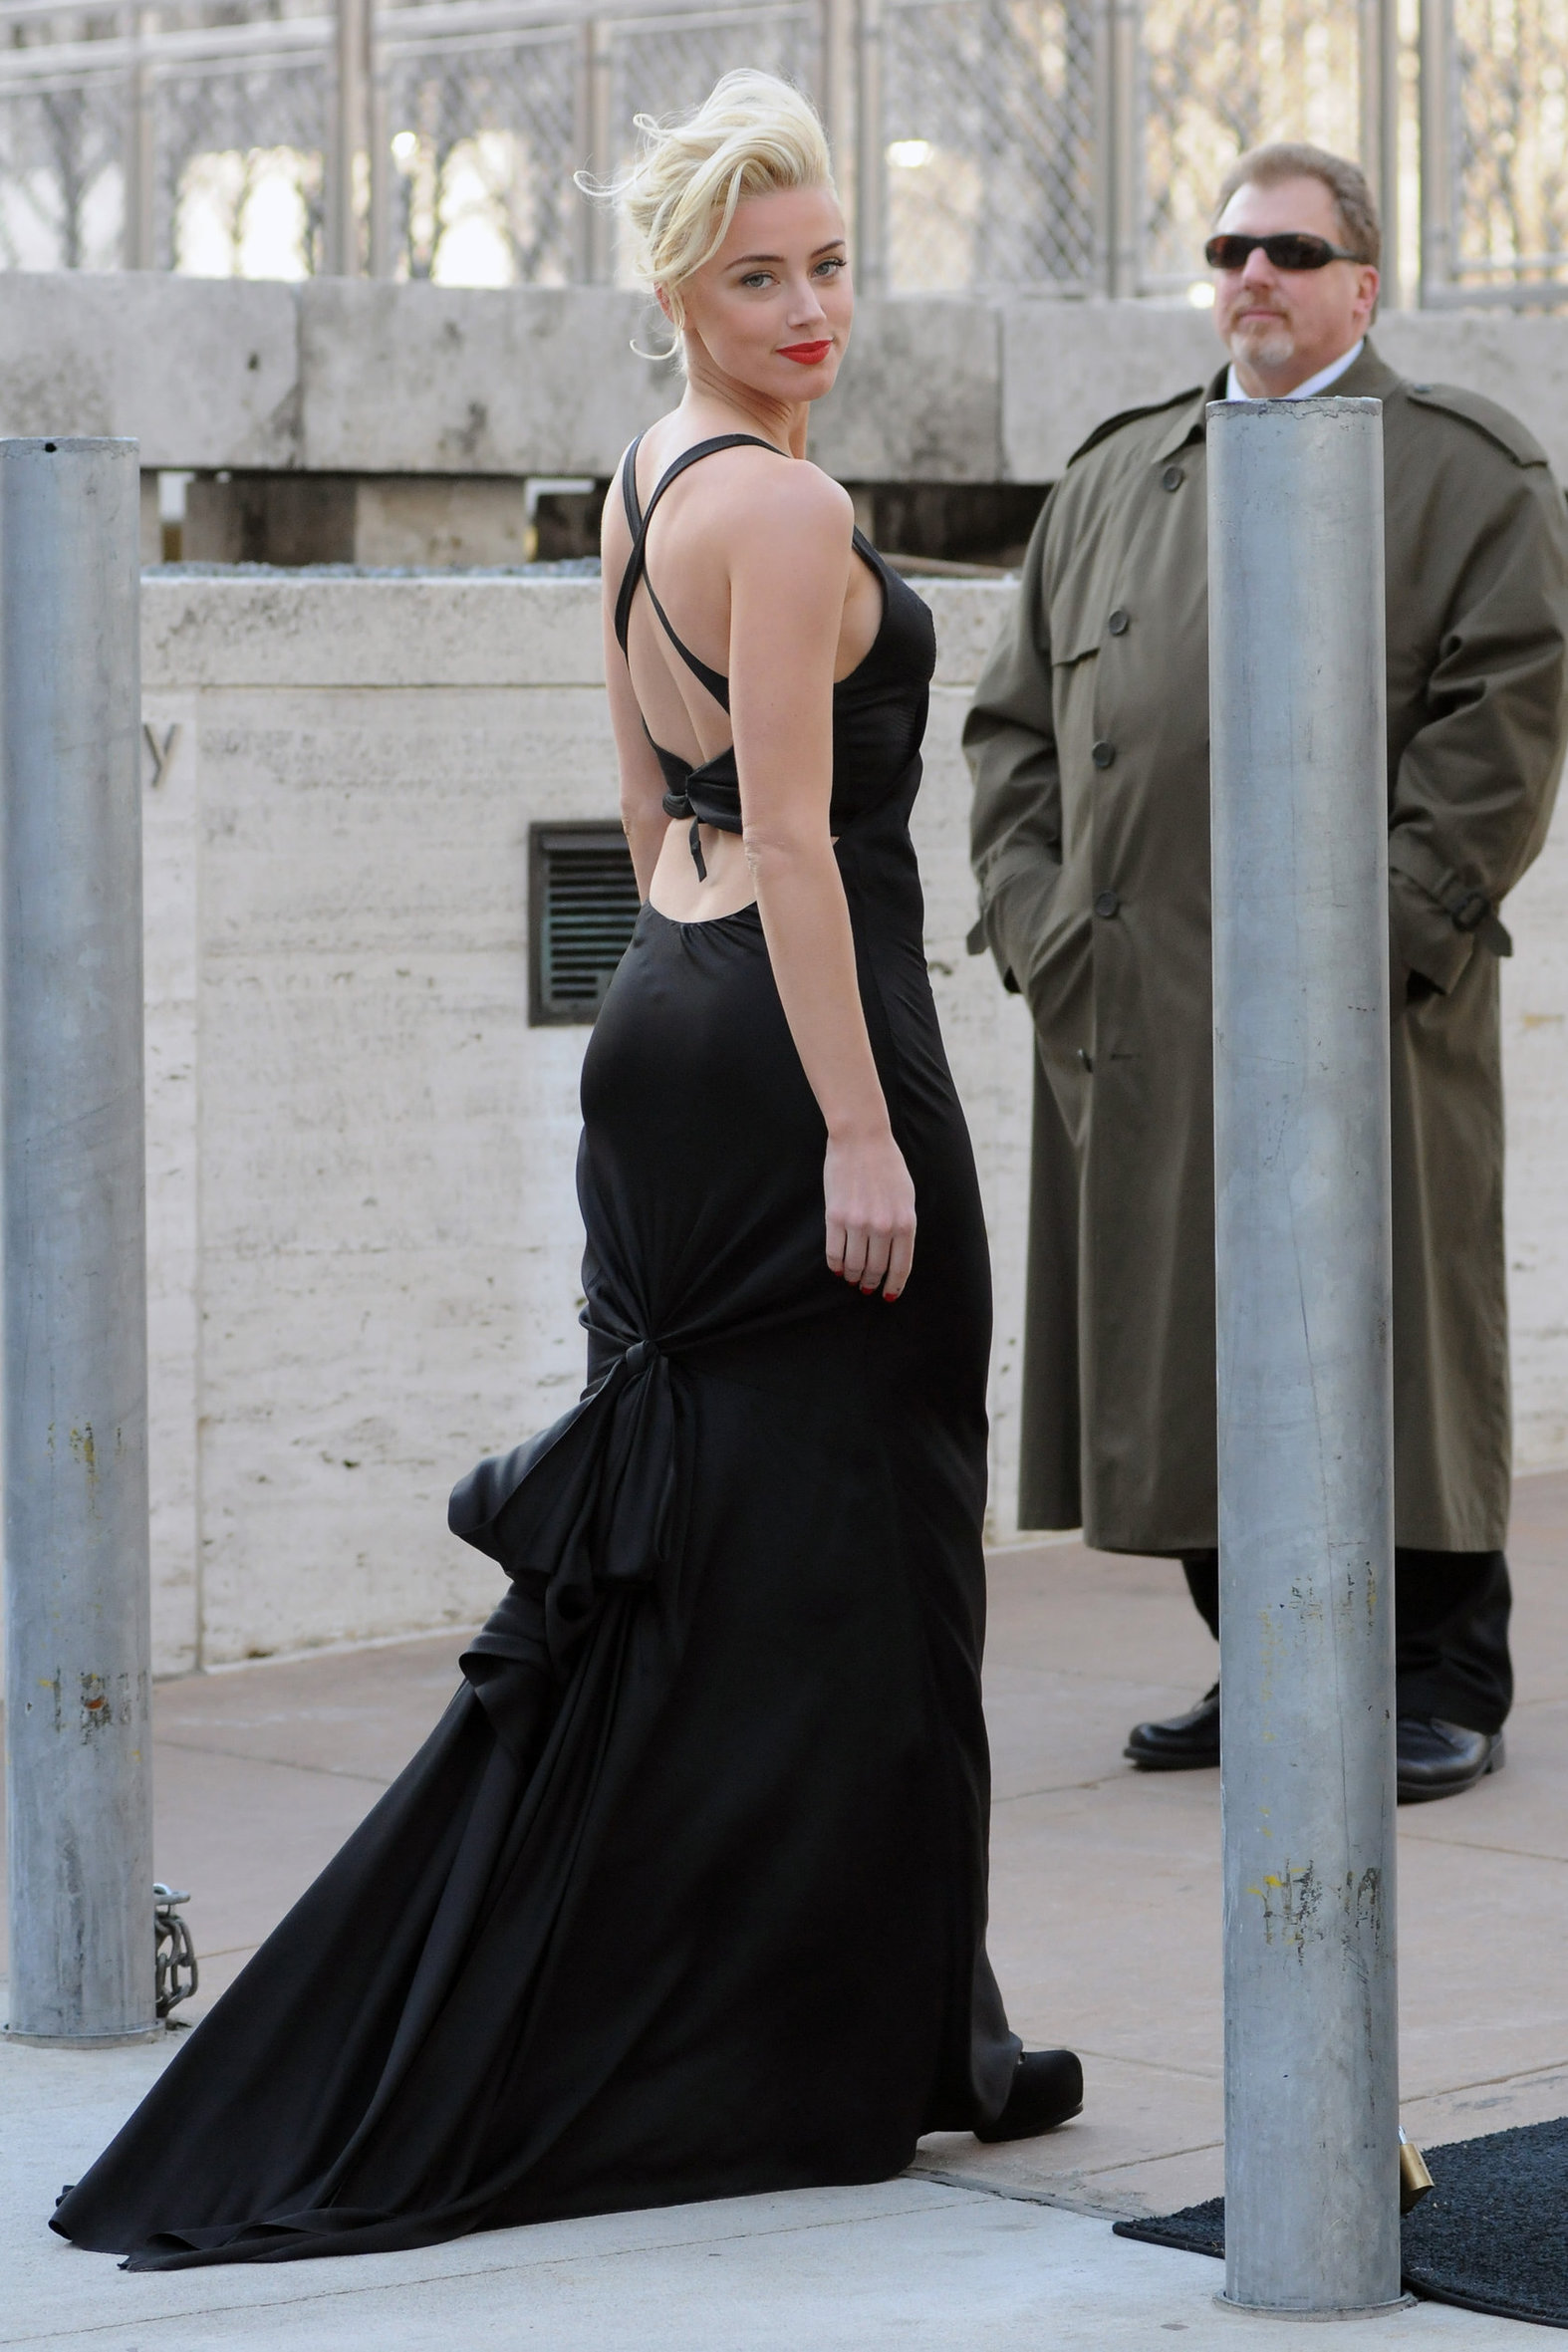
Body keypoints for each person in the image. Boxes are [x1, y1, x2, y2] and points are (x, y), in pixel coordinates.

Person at [53, 74, 1079, 2273]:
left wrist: (703, 1028)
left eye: (826, 265)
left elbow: (648, 815)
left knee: (693, 1566)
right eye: (757, 276)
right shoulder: (787, 521)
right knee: (873, 1566)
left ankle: (818, 2021)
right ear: (681, 290)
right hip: (808, 1036)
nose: (809, 309)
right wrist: (865, 1122)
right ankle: (838, 2046)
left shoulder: (644, 479)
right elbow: (802, 837)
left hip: (667, 1014)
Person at [966, 141, 1568, 1806]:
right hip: (1136, 1009)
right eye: (1229, 247)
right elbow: (1010, 730)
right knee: (1183, 1344)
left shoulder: (1464, 475)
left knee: (1388, 1332)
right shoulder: (1115, 478)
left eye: (1291, 252)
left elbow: (1501, 724)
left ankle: (1439, 1675)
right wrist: (1037, 927)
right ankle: (1269, 1654)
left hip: (1360, 1004)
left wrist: (1359, 944)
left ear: (1361, 285)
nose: (1253, 277)